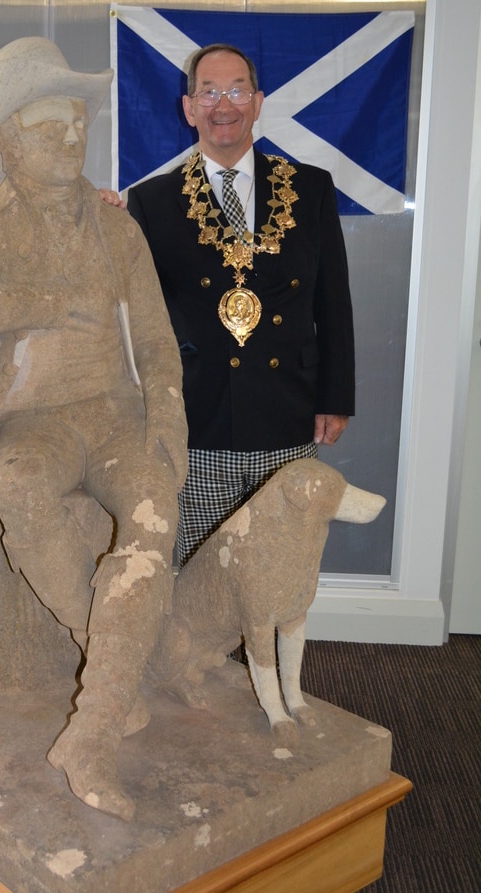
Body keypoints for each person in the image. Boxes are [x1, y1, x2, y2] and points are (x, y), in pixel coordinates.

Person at [0, 37, 188, 821]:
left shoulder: (118, 228)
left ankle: (91, 729)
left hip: (116, 416)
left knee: (153, 522)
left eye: (78, 123)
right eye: (51, 128)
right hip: (33, 421)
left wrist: (168, 414)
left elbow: (154, 338)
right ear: (10, 140)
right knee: (24, 489)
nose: (72, 139)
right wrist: (42, 297)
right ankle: (102, 646)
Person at [126, 43, 355, 565]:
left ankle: (269, 653)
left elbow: (333, 301)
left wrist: (335, 396)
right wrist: (98, 222)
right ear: (189, 108)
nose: (222, 104)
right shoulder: (151, 202)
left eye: (235, 90)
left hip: (288, 411)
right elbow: (137, 313)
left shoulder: (311, 188)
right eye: (208, 91)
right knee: (198, 568)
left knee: (280, 566)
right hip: (198, 418)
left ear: (258, 102)